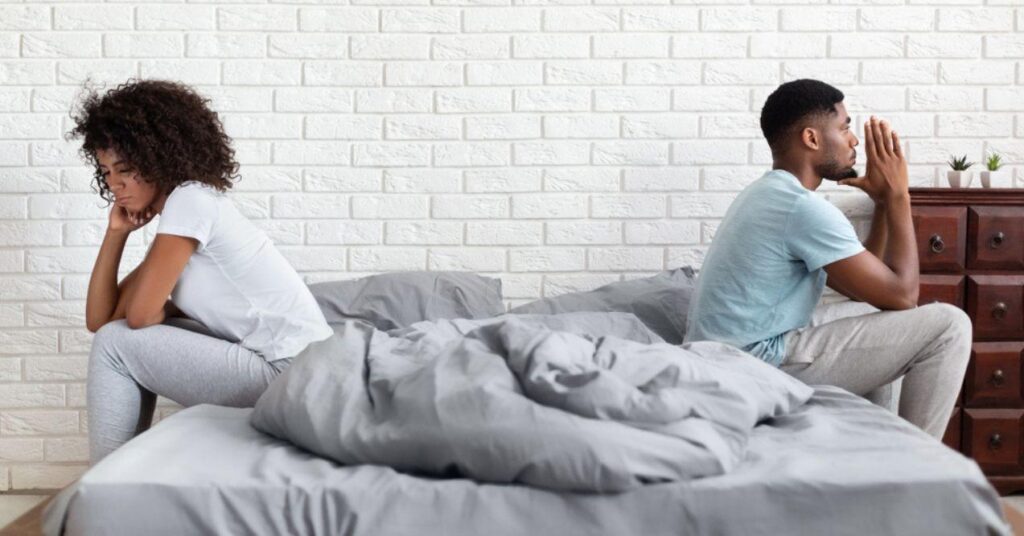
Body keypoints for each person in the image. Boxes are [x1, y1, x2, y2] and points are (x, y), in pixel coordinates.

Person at [685, 79, 971, 440]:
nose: (853, 141)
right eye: (845, 127)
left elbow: (863, 289)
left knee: (864, 312)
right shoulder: (802, 208)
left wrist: (882, 205)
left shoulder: (770, 193)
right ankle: (917, 465)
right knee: (949, 325)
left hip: (722, 358)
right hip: (748, 366)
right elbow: (903, 294)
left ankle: (870, 449)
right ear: (812, 139)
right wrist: (900, 197)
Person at [71, 79, 333, 463]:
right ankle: (113, 481)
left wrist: (159, 310)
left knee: (117, 343)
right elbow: (99, 319)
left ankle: (102, 483)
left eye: (125, 169)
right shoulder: (183, 220)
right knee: (114, 335)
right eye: (106, 172)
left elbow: (139, 317)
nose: (115, 184)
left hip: (291, 374)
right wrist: (116, 233)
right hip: (296, 369)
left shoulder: (190, 200)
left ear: (158, 158)